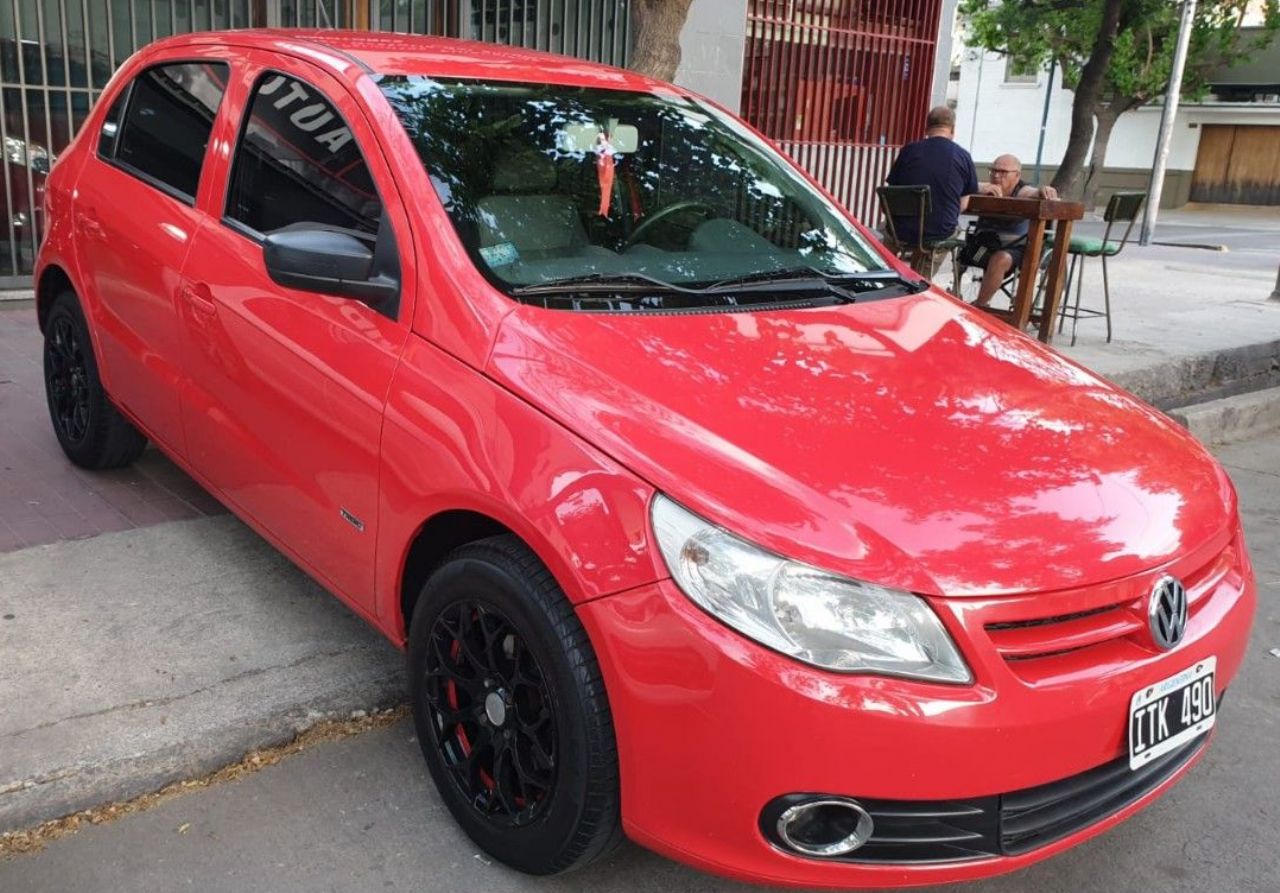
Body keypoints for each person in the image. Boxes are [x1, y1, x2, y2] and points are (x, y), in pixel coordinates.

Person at [884, 106, 998, 266]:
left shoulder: (908, 151)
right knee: (942, 229)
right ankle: (921, 278)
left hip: (900, 231)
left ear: (927, 128)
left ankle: (881, 270)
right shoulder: (963, 156)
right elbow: (962, 205)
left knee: (886, 229)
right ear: (952, 129)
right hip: (938, 233)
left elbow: (892, 193)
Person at [971, 154, 1058, 307]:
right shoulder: (985, 189)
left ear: (1017, 175)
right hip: (983, 249)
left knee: (1000, 259)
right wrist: (980, 187)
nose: (997, 176)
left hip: (1014, 250)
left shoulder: (1021, 190)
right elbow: (966, 185)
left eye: (1003, 172)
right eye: (993, 171)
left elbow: (1031, 192)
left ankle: (979, 306)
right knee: (965, 253)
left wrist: (1043, 191)